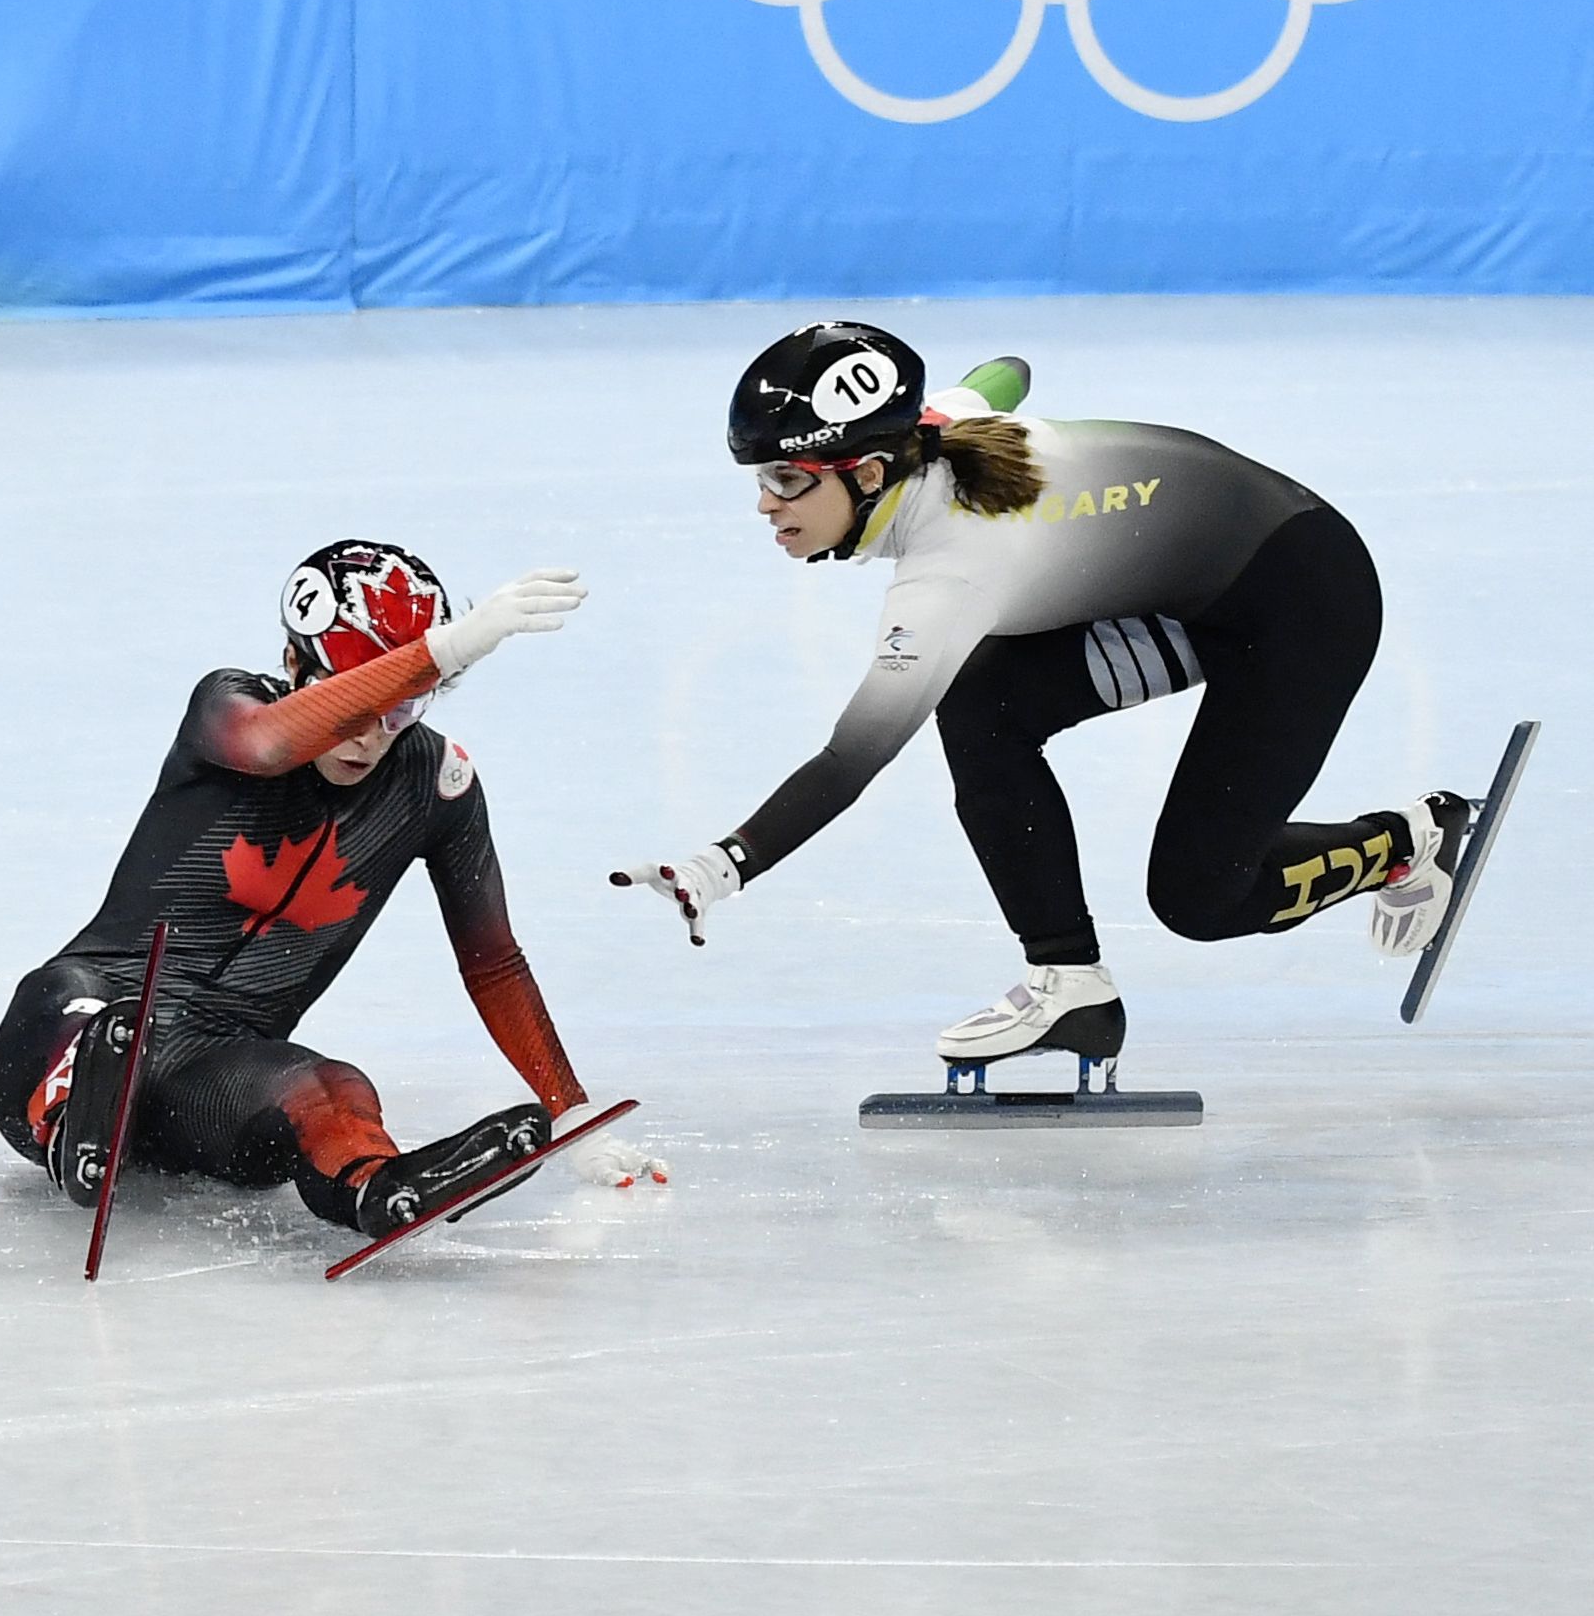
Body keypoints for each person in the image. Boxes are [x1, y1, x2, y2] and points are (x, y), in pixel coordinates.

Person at [613, 321, 1474, 1063]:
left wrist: (719, 867)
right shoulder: (933, 429)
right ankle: (1070, 982)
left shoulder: (951, 575)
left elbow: (849, 761)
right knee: (983, 700)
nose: (766, 504)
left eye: (788, 481)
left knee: (1200, 896)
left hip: (1303, 598)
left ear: (870, 473)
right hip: (1187, 595)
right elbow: (1000, 376)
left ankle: (1409, 840)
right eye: (759, 478)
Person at [0, 539, 655, 1239]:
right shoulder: (227, 708)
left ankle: (376, 1187)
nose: (367, 735)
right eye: (348, 699)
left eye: (399, 710)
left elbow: (492, 962)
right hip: (83, 1014)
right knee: (79, 1005)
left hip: (212, 1076)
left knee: (332, 1088)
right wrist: (444, 648)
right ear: (293, 665)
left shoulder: (436, 784)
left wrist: (571, 1112)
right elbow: (271, 747)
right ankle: (72, 1122)